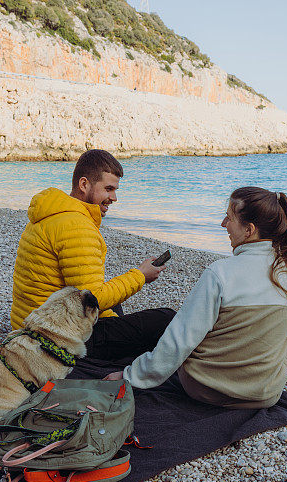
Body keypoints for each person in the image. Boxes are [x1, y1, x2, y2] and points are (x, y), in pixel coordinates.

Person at [103, 186, 287, 409]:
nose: (223, 224)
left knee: (168, 327)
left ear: (249, 230)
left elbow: (179, 341)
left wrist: (130, 377)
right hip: (265, 395)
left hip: (209, 390)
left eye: (229, 218)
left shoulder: (221, 273)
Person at [11, 149, 175, 352]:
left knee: (115, 302)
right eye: (108, 189)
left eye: (115, 190)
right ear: (84, 184)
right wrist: (141, 276)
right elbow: (92, 298)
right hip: (54, 337)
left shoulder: (53, 213)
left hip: (31, 322)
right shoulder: (76, 226)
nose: (114, 197)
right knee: (166, 319)